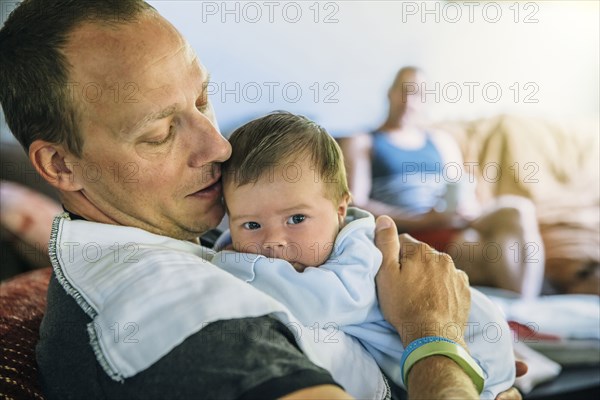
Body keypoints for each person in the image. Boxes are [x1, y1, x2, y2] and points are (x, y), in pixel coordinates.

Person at [0, 1, 524, 399]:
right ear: (61, 166)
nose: (219, 145)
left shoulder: (177, 227)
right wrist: (436, 338)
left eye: (202, 98)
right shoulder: (177, 315)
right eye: (160, 132)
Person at [211, 111, 515, 395]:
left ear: (340, 210)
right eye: (252, 224)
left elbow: (322, 306)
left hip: (477, 350)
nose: (273, 241)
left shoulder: (358, 251)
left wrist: (236, 266)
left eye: (296, 219)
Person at [340, 66, 545, 299]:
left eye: (417, 94)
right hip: (416, 229)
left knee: (518, 209)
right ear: (390, 93)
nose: (409, 100)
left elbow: (464, 189)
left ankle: (526, 305)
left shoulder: (441, 141)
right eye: (403, 91)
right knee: (483, 248)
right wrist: (424, 219)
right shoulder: (363, 142)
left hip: (451, 219)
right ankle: (523, 307)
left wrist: (469, 209)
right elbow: (358, 205)